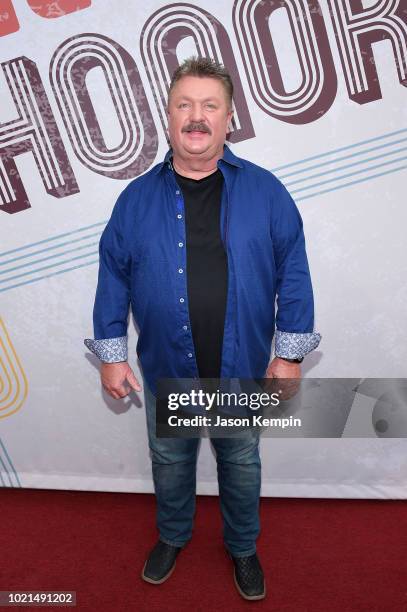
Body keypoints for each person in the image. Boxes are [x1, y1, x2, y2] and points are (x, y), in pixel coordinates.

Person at [84, 56, 321, 601]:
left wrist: (288, 356)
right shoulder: (135, 201)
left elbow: (295, 273)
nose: (197, 117)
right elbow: (112, 277)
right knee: (170, 462)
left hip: (241, 370)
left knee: (240, 462)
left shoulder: (266, 192)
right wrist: (112, 356)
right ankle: (173, 536)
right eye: (185, 105)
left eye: (210, 105)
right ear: (167, 117)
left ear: (229, 117)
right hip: (169, 368)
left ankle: (242, 548)